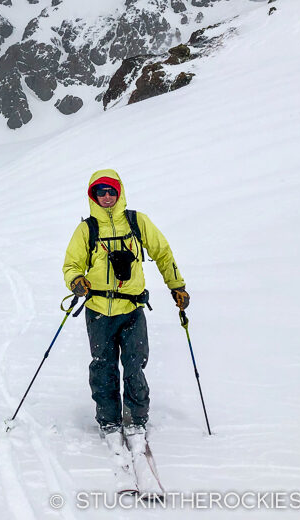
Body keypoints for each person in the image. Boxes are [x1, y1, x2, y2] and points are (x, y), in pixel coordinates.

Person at [63, 169, 189, 439]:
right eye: (100, 191)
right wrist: (75, 280)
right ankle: (108, 419)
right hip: (98, 309)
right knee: (103, 365)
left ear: (119, 192)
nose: (106, 196)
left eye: (111, 191)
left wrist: (176, 286)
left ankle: (136, 417)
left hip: (132, 309)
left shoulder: (137, 222)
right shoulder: (87, 229)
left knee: (134, 365)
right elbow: (71, 264)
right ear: (92, 195)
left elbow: (163, 253)